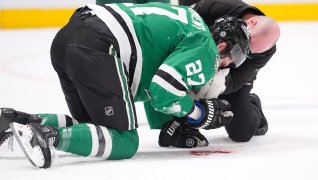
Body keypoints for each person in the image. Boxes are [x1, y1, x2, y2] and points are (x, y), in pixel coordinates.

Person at [0, 3, 250, 168]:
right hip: (98, 47)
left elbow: (157, 82)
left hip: (69, 37)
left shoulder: (191, 20)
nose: (224, 66)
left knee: (96, 130)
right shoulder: (207, 49)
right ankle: (48, 137)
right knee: (124, 141)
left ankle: (18, 123)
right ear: (222, 46)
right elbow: (163, 92)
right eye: (230, 60)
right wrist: (199, 113)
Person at [148, 0, 280, 148]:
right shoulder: (217, 7)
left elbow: (235, 81)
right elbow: (178, 24)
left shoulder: (265, 49)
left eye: (250, 53)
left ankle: (253, 106)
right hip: (193, 55)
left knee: (241, 132)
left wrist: (212, 78)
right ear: (252, 21)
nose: (245, 52)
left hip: (227, 76)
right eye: (247, 45)